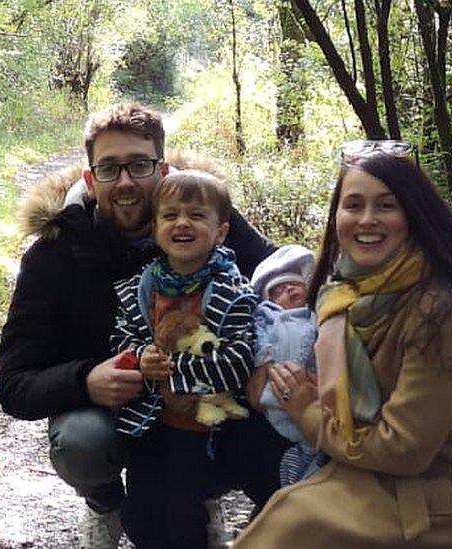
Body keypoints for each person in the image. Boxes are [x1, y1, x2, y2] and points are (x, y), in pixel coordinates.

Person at [0, 102, 283, 548]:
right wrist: (85, 379)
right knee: (81, 442)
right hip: (114, 409)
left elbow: (282, 276)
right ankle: (104, 502)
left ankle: (207, 494)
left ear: (162, 170)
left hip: (207, 396)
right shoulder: (52, 255)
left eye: (139, 165)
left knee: (275, 435)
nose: (126, 182)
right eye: (109, 168)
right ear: (90, 179)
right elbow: (13, 383)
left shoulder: (200, 218)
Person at [233, 141, 452, 548]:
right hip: (370, 462)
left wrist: (306, 410)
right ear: (336, 216)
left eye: (387, 206)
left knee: (287, 532)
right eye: (353, 205)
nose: (367, 220)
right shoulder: (344, 291)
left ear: (416, 216)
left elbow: (402, 449)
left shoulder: (448, 312)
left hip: (444, 490)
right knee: (244, 449)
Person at [108, 169, 257, 548]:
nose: (182, 223)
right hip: (152, 421)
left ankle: (203, 526)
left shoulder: (231, 288)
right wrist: (141, 358)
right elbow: (122, 335)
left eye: (196, 215)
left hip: (206, 428)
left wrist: (167, 374)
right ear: (155, 227)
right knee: (139, 516)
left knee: (181, 515)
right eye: (171, 215)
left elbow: (240, 358)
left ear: (221, 231)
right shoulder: (146, 284)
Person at [247, 244, 326, 486]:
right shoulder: (267, 317)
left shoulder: (317, 314)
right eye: (278, 290)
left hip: (316, 390)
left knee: (316, 441)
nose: (288, 288)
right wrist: (263, 358)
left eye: (293, 284)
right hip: (275, 392)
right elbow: (257, 339)